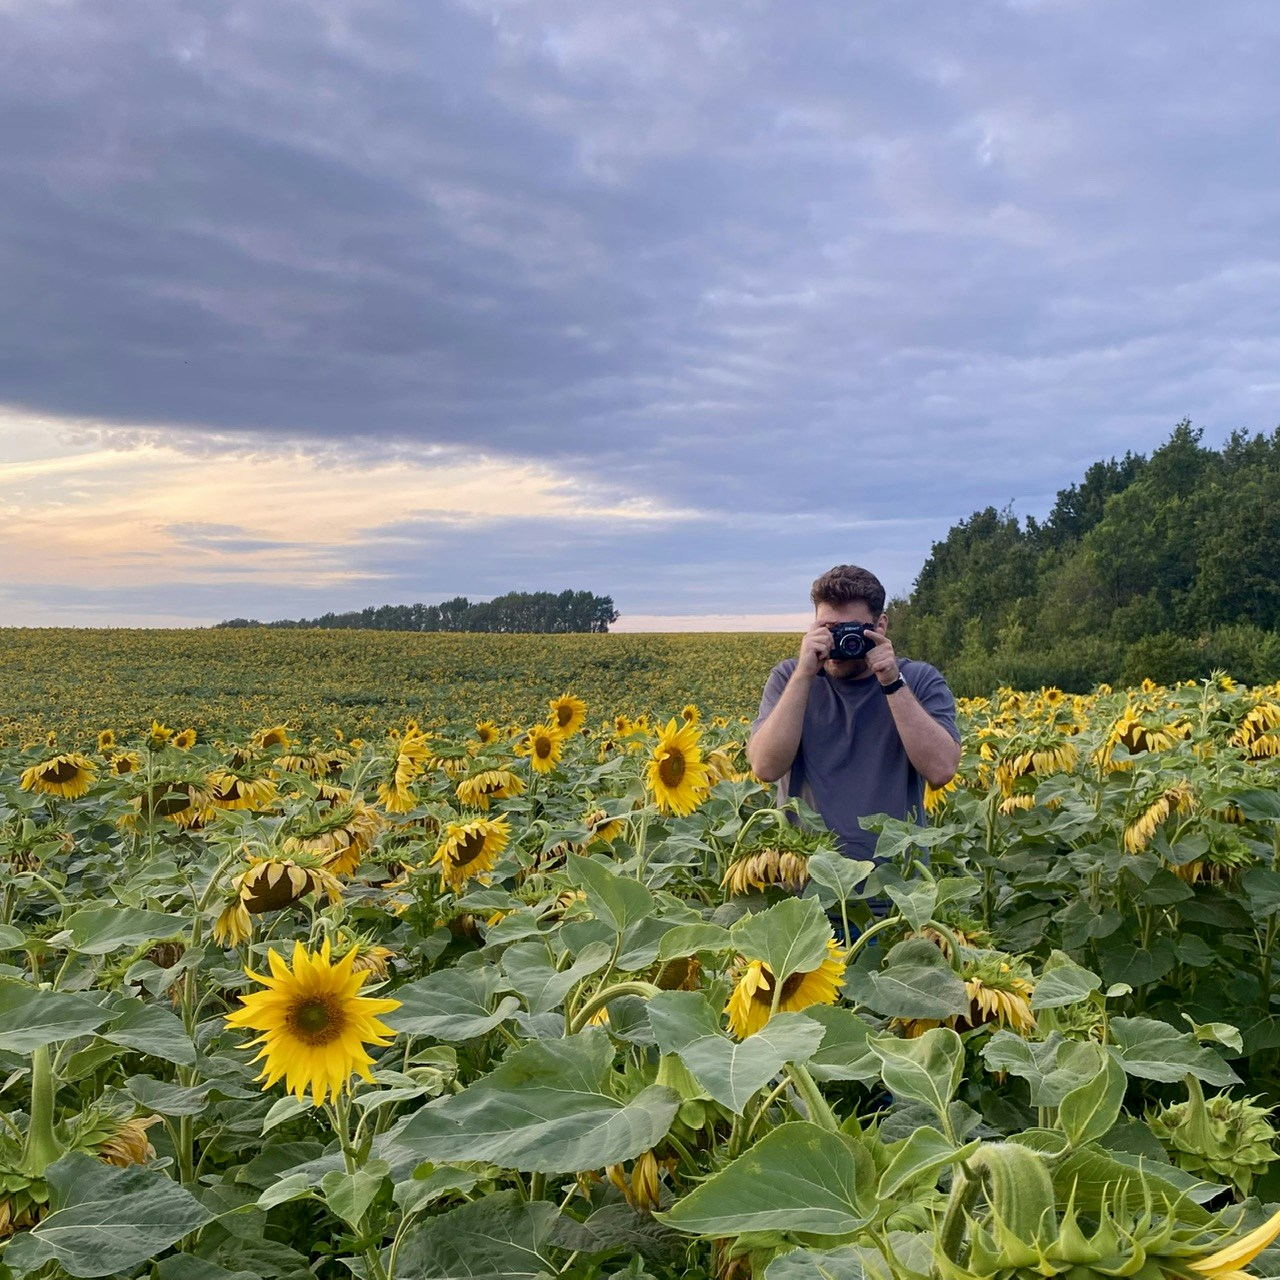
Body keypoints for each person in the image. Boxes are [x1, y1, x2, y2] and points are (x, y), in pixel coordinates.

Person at [748, 564, 961, 861]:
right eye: (828, 629)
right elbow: (765, 767)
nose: (839, 643)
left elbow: (941, 770)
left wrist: (891, 681)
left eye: (851, 631)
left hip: (897, 888)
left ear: (880, 626)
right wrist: (804, 673)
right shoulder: (790, 679)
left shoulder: (918, 680)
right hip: (805, 887)